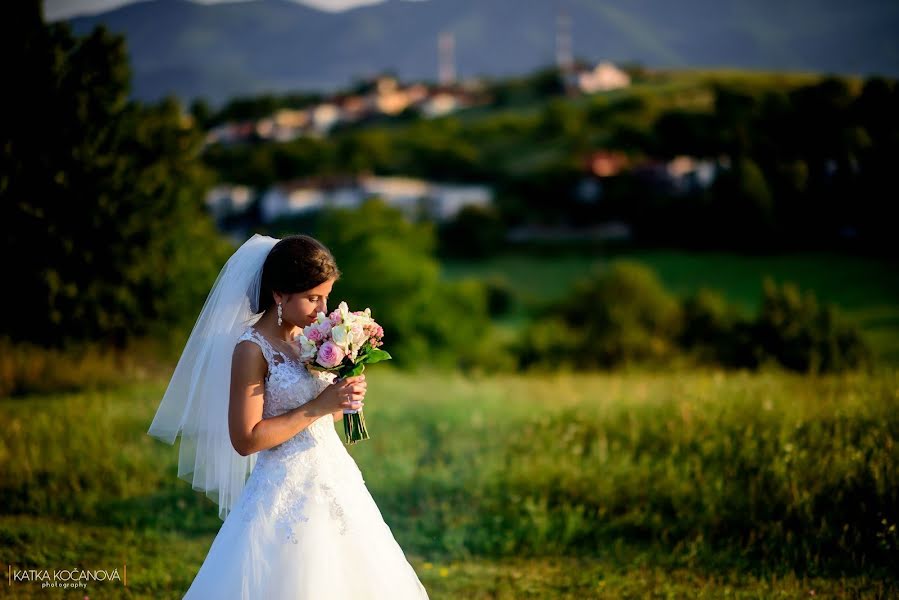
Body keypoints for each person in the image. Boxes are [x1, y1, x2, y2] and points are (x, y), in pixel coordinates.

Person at [148, 233, 429, 599]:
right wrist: (319, 406)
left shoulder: (312, 340)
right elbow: (246, 439)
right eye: (313, 298)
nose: (322, 309)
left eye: (326, 297)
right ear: (279, 294)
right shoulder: (251, 349)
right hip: (283, 491)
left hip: (336, 478)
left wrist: (346, 396)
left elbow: (322, 412)